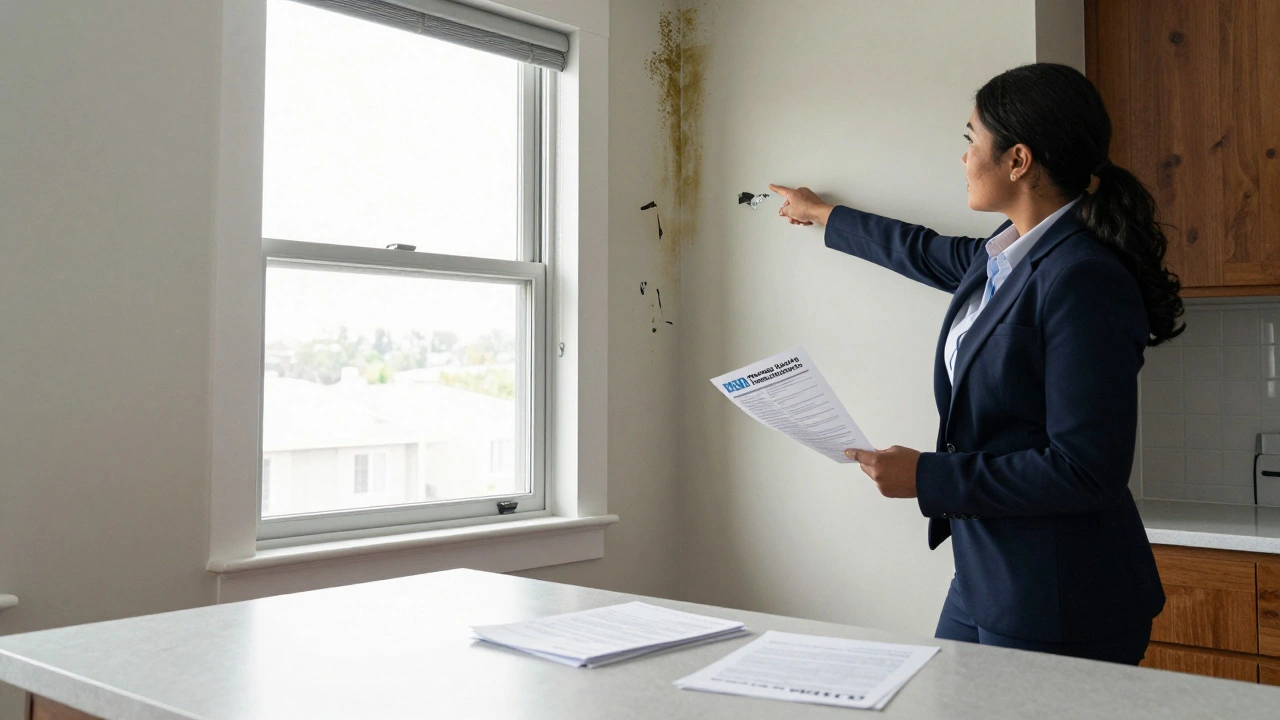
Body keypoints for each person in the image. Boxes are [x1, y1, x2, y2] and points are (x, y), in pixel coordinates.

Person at [770, 63, 1181, 664]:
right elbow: (919, 250)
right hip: (986, 574)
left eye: (971, 141)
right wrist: (821, 213)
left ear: (1018, 160)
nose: (963, 159)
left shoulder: (1083, 278)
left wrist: (927, 478)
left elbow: (1087, 471)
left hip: (1060, 595)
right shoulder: (1002, 258)